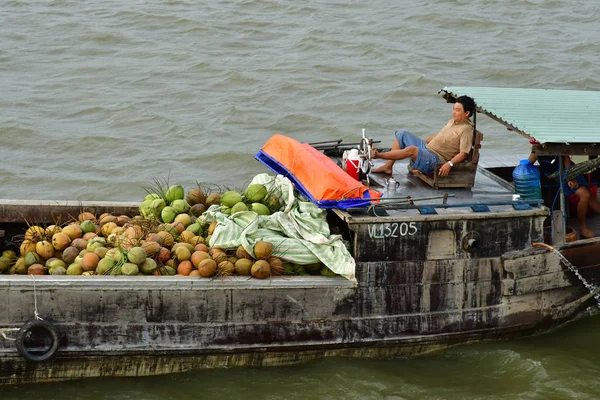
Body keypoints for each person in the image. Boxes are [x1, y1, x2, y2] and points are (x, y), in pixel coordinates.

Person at [372, 95, 476, 177]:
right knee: (402, 134)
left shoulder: (466, 130)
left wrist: (449, 164)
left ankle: (378, 155)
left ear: (466, 113)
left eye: (457, 110)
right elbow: (437, 137)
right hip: (427, 149)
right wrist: (419, 144)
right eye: (453, 109)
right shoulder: (452, 122)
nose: (454, 112)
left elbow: (463, 154)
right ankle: (388, 166)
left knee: (412, 149)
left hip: (436, 160)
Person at [528, 152, 600, 239]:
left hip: (569, 170)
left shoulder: (558, 143)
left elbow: (566, 159)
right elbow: (527, 164)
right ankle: (583, 227)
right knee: (585, 195)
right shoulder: (537, 148)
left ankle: (583, 228)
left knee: (589, 197)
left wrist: (571, 176)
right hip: (556, 173)